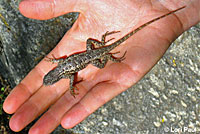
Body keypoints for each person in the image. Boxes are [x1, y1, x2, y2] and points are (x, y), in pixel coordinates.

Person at [3, 0, 200, 133]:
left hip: (93, 55)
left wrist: (72, 87)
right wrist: (57, 63)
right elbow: (66, 65)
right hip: (90, 51)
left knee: (101, 59)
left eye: (50, 78)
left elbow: (72, 77)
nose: (50, 78)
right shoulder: (62, 68)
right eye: (50, 78)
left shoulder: (65, 74)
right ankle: (108, 50)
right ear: (53, 74)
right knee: (93, 45)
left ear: (55, 76)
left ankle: (110, 54)